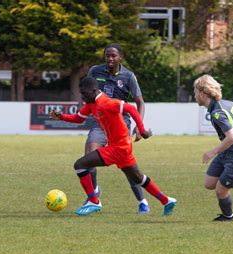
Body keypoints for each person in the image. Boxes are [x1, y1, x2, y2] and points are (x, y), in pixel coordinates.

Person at [50, 76, 177, 216]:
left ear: (94, 90)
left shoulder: (106, 103)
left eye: (84, 94)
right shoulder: (91, 104)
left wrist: (141, 130)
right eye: (81, 94)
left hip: (119, 147)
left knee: (80, 165)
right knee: (138, 178)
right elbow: (79, 119)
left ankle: (93, 201)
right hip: (122, 147)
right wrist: (61, 117)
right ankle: (166, 201)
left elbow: (131, 109)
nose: (83, 97)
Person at [84, 43, 150, 214]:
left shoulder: (128, 76)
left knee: (127, 166)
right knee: (89, 156)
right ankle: (94, 195)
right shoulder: (95, 71)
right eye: (107, 56)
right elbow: (86, 92)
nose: (110, 59)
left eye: (113, 56)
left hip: (120, 125)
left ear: (120, 57)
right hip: (100, 123)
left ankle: (142, 201)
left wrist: (138, 126)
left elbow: (139, 103)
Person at [193, 74, 233, 222]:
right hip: (228, 151)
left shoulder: (217, 113)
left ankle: (228, 216)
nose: (194, 96)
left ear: (203, 94)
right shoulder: (227, 103)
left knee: (221, 189)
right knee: (209, 183)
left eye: (196, 92)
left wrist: (212, 152)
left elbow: (232, 137)